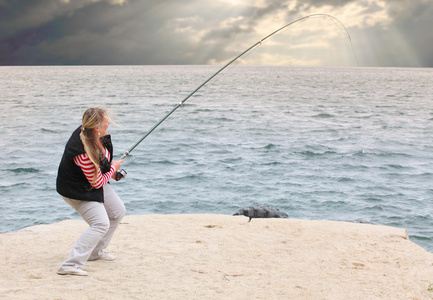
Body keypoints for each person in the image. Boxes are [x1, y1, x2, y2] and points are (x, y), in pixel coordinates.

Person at [56, 107, 126, 276]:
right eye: (106, 121)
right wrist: (113, 169)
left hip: (90, 182)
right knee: (101, 223)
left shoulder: (93, 134)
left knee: (117, 212)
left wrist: (112, 172)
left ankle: (95, 252)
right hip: (76, 190)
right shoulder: (82, 152)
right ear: (96, 127)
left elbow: (101, 170)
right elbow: (97, 182)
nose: (108, 123)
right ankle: (70, 265)